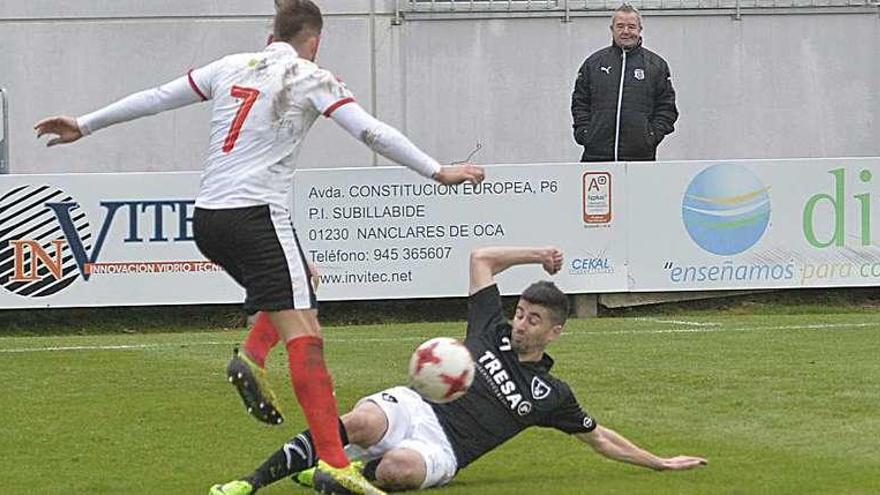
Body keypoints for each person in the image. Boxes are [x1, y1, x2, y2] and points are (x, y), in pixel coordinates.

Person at [33, 1, 484, 494]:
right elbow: (371, 131)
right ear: (314, 38)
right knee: (306, 336)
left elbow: (159, 96)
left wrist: (86, 123)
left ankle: (251, 354)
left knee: (302, 284)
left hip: (208, 220)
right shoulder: (311, 76)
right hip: (257, 213)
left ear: (273, 33)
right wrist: (437, 170)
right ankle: (334, 462)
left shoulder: (230, 66)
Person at [208, 246, 707, 494]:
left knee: (400, 469)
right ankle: (250, 482)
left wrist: (659, 462)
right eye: (520, 313)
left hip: (444, 449)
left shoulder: (551, 394)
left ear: (555, 331)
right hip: (414, 405)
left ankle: (344, 473)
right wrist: (538, 255)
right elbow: (481, 259)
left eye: (534, 320)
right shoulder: (489, 327)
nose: (521, 323)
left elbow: (600, 438)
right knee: (359, 422)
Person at [571, 4, 678, 163]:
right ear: (612, 29)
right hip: (596, 157)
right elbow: (580, 102)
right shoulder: (593, 63)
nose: (626, 31)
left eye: (631, 26)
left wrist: (651, 136)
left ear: (640, 29)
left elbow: (666, 108)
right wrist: (586, 133)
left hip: (640, 158)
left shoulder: (656, 65)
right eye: (620, 26)